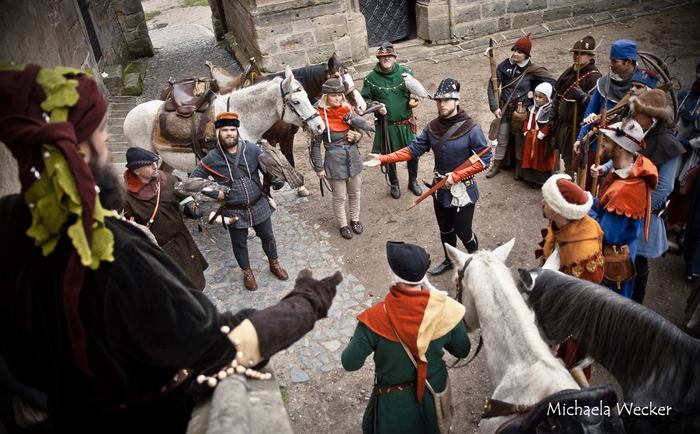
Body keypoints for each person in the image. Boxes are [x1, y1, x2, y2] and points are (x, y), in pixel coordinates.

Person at [0, 64, 343, 433]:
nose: (106, 145)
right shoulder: (115, 249)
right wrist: (306, 303)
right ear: (79, 148)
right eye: (100, 134)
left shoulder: (6, 219)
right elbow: (215, 347)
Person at [365, 78, 492, 275]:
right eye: (439, 100)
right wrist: (383, 158)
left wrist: (458, 176)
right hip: (440, 189)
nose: (442, 104)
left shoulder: (471, 128)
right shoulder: (433, 127)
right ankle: (450, 260)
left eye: (447, 100)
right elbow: (413, 149)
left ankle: (478, 262)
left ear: (456, 100)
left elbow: (485, 159)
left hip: (463, 191)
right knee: (445, 230)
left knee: (463, 232)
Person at [341, 241, 470, 434]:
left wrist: (359, 335)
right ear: (423, 275)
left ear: (394, 275)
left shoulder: (374, 318)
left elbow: (349, 363)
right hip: (434, 391)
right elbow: (462, 350)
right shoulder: (446, 309)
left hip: (394, 402)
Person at [187, 112, 288, 291]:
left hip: (259, 204)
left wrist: (275, 178)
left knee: (268, 237)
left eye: (232, 129)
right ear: (218, 133)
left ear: (237, 131)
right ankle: (247, 272)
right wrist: (214, 193)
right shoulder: (212, 158)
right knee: (239, 244)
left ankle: (274, 263)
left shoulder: (252, 149)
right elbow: (193, 181)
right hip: (234, 211)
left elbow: (268, 170)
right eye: (224, 130)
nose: (229, 133)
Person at [537, 174, 604, 379]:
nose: (542, 203)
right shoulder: (560, 224)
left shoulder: (582, 252)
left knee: (567, 368)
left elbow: (581, 301)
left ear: (558, 210)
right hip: (550, 302)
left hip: (569, 319)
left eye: (546, 201)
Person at [122, 147, 209, 290]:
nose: (155, 166)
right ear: (137, 170)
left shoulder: (167, 179)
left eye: (155, 161)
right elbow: (128, 228)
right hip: (158, 251)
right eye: (149, 164)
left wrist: (190, 206)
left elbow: (183, 196)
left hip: (182, 243)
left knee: (194, 282)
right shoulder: (125, 197)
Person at [589, 119, 658, 297]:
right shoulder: (630, 166)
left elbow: (606, 233)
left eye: (608, 140)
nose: (603, 143)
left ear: (620, 148)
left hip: (613, 260)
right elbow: (606, 205)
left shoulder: (626, 191)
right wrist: (592, 200)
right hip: (621, 249)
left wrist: (585, 206)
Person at [485, 33, 555, 179]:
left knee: (520, 140)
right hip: (505, 108)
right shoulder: (504, 65)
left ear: (526, 55)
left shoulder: (532, 69)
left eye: (520, 52)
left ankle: (519, 169)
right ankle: (496, 164)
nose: (515, 54)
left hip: (523, 110)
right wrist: (495, 107)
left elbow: (552, 82)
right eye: (515, 50)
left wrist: (536, 93)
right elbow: (493, 85)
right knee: (502, 137)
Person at [360, 42, 422, 199]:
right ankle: (394, 183)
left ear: (394, 57)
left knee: (413, 153)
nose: (386, 58)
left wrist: (414, 98)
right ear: (378, 59)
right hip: (386, 126)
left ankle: (413, 181)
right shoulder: (370, 78)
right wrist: (376, 106)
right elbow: (363, 102)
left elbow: (413, 91)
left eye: (389, 56)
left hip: (406, 123)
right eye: (383, 57)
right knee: (388, 155)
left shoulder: (405, 72)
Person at [574, 39, 639, 175]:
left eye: (615, 61)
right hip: (596, 145)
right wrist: (581, 138)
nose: (610, 64)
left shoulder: (640, 87)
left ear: (627, 62)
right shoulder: (604, 82)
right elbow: (590, 113)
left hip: (622, 151)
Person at [311, 78, 364, 239]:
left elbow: (359, 133)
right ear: (326, 96)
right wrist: (319, 168)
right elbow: (315, 146)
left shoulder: (348, 110)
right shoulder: (319, 117)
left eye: (340, 95)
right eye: (334, 95)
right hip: (334, 162)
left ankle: (355, 219)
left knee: (355, 192)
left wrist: (357, 136)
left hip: (353, 157)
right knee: (339, 197)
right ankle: (343, 225)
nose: (338, 98)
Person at [550, 36, 601, 177]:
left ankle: (570, 186)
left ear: (590, 56)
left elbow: (597, 106)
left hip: (576, 128)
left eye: (581, 54)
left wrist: (584, 97)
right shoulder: (570, 71)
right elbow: (558, 95)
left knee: (572, 160)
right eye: (575, 53)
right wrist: (552, 116)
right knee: (560, 154)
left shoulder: (594, 77)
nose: (577, 56)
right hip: (562, 124)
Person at [519, 82, 556, 186]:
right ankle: (530, 178)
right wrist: (526, 130)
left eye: (540, 97)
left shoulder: (550, 110)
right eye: (535, 96)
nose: (537, 99)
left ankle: (541, 180)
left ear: (547, 98)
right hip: (530, 138)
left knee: (540, 160)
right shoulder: (532, 108)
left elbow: (550, 124)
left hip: (542, 141)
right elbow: (527, 120)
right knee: (529, 158)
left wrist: (542, 133)